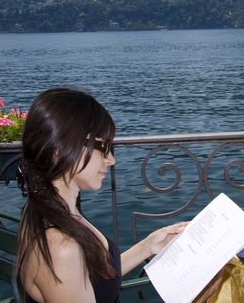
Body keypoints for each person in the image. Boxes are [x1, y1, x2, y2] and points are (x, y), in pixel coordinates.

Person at [15, 87, 187, 303]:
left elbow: (93, 281)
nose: (111, 160)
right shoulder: (61, 249)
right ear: (62, 147)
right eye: (103, 146)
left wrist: (148, 246)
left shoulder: (52, 209)